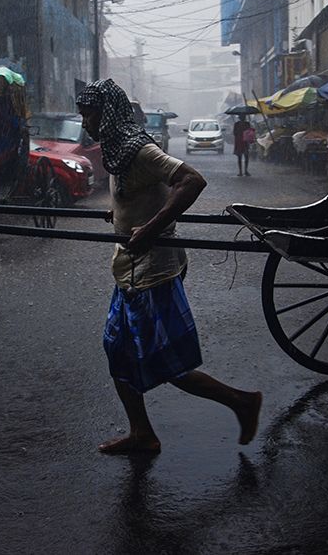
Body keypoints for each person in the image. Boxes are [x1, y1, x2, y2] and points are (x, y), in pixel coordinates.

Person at [76, 79, 263, 455]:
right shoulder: (118, 151)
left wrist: (152, 226)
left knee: (167, 363)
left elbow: (191, 181)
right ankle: (142, 432)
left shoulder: (140, 150)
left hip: (153, 272)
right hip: (128, 269)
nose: (86, 125)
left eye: (90, 115)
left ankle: (242, 402)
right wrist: (123, 213)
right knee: (118, 350)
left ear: (108, 113)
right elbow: (141, 194)